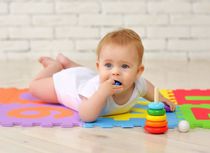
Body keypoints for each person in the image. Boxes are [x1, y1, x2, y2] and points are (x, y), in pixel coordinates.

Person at [29, 28, 176, 122]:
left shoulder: (137, 84)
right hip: (67, 85)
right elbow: (85, 115)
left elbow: (148, 88)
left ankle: (67, 63)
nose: (115, 72)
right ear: (99, 66)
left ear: (138, 72)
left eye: (124, 66)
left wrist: (161, 99)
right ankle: (54, 66)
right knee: (34, 87)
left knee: (86, 75)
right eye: (108, 65)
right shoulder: (96, 87)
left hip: (85, 76)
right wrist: (101, 93)